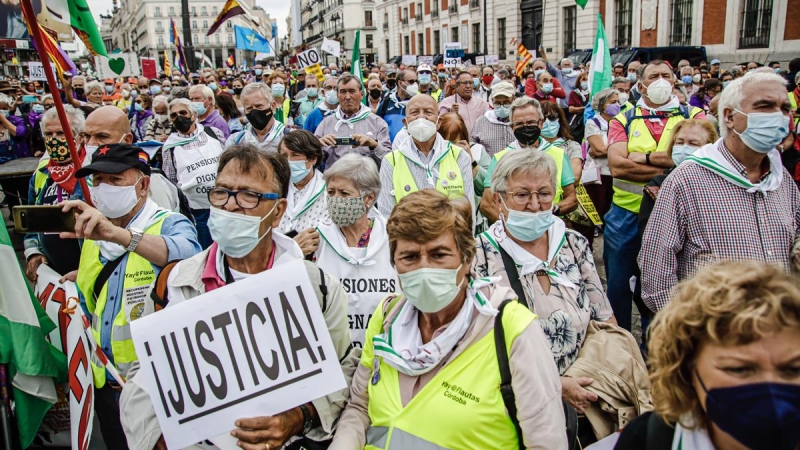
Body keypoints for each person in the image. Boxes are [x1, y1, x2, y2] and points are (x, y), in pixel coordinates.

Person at [120, 143, 354, 450]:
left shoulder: (318, 288)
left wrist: (298, 417)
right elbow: (142, 378)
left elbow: (343, 370)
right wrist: (157, 440)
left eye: (248, 195)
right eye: (222, 192)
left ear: (277, 212)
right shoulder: (174, 283)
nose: (230, 205)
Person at [329, 189, 567, 450]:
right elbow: (360, 407)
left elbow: (546, 442)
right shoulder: (387, 319)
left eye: (439, 255)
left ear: (467, 260)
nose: (424, 268)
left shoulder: (511, 328)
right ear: (394, 264)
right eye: (409, 257)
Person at [64, 143, 200, 449]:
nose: (104, 188)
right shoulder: (93, 233)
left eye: (115, 180)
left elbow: (188, 256)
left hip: (158, 383)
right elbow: (89, 298)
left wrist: (121, 236)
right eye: (98, 181)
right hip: (105, 381)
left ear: (143, 185)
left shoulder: (168, 222)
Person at [591, 261, 800, 450]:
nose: (770, 389)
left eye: (792, 369)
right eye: (739, 369)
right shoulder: (646, 441)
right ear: (686, 370)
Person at [639, 71, 798, 313]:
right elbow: (656, 269)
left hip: (778, 334)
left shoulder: (781, 180)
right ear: (730, 117)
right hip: (715, 338)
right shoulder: (688, 180)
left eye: (784, 109)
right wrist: (691, 333)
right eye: (764, 106)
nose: (778, 116)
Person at [475, 149, 617, 417]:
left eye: (544, 193)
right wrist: (555, 385)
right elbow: (477, 344)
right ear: (499, 199)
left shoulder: (574, 244)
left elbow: (605, 321)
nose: (535, 204)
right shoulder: (479, 254)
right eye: (521, 195)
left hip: (585, 396)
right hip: (515, 400)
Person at [604, 60, 704, 331]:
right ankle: (622, 344)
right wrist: (672, 164)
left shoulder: (694, 115)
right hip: (626, 216)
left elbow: (704, 158)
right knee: (618, 286)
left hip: (679, 216)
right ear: (641, 84)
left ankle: (659, 346)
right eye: (653, 76)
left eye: (665, 75)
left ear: (674, 81)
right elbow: (617, 166)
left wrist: (644, 157)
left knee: (667, 285)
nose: (660, 80)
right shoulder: (623, 118)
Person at [313, 153, 397, 348]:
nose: (335, 200)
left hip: (383, 350)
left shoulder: (392, 237)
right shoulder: (316, 240)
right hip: (334, 353)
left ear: (369, 198)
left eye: (344, 193)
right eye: (331, 192)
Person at [480, 97, 578, 224]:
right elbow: (487, 204)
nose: (526, 127)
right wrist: (511, 227)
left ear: (541, 123)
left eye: (531, 122)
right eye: (520, 124)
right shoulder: (500, 158)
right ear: (511, 127)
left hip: (550, 228)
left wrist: (550, 213)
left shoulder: (558, 154)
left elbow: (571, 198)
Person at [377, 94, 475, 220]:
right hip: (408, 238)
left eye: (428, 112)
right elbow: (386, 215)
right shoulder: (391, 161)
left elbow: (468, 214)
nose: (421, 117)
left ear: (438, 122)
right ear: (406, 123)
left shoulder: (459, 157)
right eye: (414, 112)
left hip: (449, 238)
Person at [24, 105, 85, 281]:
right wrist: (33, 252)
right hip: (53, 272)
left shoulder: (93, 172)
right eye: (49, 134)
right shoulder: (42, 172)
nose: (54, 139)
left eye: (61, 133)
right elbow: (31, 221)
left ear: (80, 137)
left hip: (87, 270)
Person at [637, 119, 718, 248]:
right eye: (679, 142)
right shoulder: (658, 186)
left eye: (693, 143)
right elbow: (651, 238)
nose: (684, 148)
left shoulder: (720, 184)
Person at [161, 98, 225, 248]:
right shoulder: (170, 148)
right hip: (198, 211)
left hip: (224, 204)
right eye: (174, 115)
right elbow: (171, 181)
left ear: (194, 115)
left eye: (183, 113)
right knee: (207, 250)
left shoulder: (213, 133)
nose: (179, 118)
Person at [316, 75, 392, 168]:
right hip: (335, 180)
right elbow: (311, 161)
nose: (347, 97)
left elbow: (389, 161)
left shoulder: (377, 123)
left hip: (366, 181)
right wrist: (318, 146)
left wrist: (373, 145)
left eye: (352, 91)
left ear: (362, 94)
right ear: (337, 95)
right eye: (343, 92)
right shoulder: (326, 123)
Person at [277, 130, 329, 249]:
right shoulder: (274, 188)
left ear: (312, 159)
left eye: (295, 155)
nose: (288, 161)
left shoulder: (329, 192)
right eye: (284, 155)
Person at [583, 88, 620, 221]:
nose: (617, 105)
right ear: (603, 105)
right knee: (598, 206)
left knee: (612, 208)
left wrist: (605, 150)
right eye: (613, 102)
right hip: (599, 174)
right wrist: (618, 151)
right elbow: (598, 149)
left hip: (616, 172)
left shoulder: (622, 122)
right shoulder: (594, 123)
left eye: (618, 102)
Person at [226, 83, 287, 152]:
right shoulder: (235, 141)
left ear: (273, 106)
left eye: (259, 106)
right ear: (244, 111)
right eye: (249, 108)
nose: (254, 111)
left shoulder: (287, 137)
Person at [470, 81, 516, 157]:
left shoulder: (520, 121)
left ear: (514, 99)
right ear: (492, 100)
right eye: (497, 103)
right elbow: (473, 146)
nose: (502, 106)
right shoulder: (482, 122)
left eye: (506, 102)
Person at [376, 69, 416, 143]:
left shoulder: (418, 103)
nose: (415, 85)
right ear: (400, 83)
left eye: (416, 82)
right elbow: (377, 126)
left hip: (409, 150)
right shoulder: (386, 102)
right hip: (388, 150)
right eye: (411, 82)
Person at [0, 92, 29, 162]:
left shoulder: (17, 120)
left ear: (9, 109)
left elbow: (19, 133)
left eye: (4, 108)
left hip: (17, 160)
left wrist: (3, 120)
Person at [567, 72, 590, 141]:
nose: (586, 82)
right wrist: (586, 108)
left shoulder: (592, 93)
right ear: (579, 81)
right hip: (577, 121)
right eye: (584, 80)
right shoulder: (574, 93)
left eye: (587, 80)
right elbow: (571, 109)